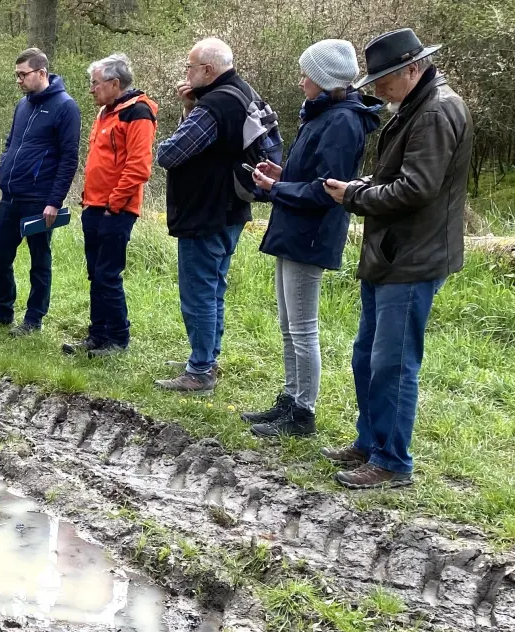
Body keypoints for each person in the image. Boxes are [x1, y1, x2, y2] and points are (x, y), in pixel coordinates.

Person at [322, 29, 471, 489]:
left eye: (384, 78)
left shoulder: (435, 111)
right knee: (367, 354)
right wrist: (366, 185)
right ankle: (369, 441)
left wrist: (355, 196)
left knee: (394, 362)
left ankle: (392, 462)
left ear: (412, 68)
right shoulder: (415, 105)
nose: (378, 87)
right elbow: (401, 174)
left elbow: (416, 188)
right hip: (391, 253)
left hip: (413, 257)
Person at [240, 40, 381, 437]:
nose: (301, 81)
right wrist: (282, 175)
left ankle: (303, 413)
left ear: (323, 79)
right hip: (293, 228)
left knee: (303, 327)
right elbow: (311, 175)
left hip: (311, 233)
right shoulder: (323, 114)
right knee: (288, 324)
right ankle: (289, 399)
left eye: (307, 74)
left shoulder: (341, 121)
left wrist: (276, 189)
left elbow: (327, 189)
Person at [154, 37, 279, 392]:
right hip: (232, 208)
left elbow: (170, 153)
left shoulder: (214, 106)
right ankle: (206, 356)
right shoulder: (244, 92)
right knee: (214, 288)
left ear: (208, 70)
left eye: (190, 67)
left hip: (205, 212)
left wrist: (189, 112)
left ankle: (200, 370)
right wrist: (189, 106)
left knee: (199, 292)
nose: (186, 72)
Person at [65, 52, 155, 358]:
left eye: (95, 83)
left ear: (114, 83)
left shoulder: (137, 112)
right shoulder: (106, 111)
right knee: (95, 272)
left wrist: (113, 205)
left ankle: (118, 339)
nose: (91, 89)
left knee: (107, 274)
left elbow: (139, 167)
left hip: (116, 210)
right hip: (93, 205)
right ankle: (97, 335)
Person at [0, 48, 81, 335]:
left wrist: (54, 201)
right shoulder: (22, 105)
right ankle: (3, 311)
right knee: (0, 255)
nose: (19, 80)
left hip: (40, 200)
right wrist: (4, 165)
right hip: (10, 196)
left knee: (40, 261)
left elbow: (69, 159)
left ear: (42, 73)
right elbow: (11, 142)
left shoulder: (66, 107)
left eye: (23, 75)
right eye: (17, 75)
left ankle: (33, 320)